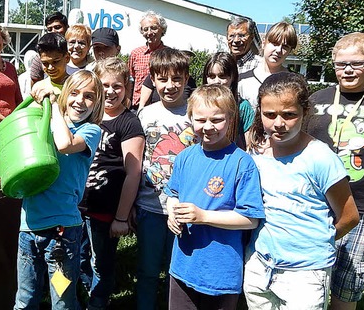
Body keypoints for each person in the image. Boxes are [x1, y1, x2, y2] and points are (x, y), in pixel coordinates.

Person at [0, 70, 104, 310]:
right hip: (28, 228)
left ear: (97, 103)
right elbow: (23, 169)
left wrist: (55, 107)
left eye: (89, 96)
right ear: (66, 94)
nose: (80, 101)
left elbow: (64, 144)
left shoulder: (90, 131)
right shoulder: (43, 123)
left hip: (62, 233)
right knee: (25, 300)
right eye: (75, 93)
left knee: (62, 302)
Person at [243, 72, 359, 310]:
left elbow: (349, 217)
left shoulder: (321, 158)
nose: (278, 123)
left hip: (305, 275)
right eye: (269, 114)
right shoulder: (256, 154)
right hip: (260, 266)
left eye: (289, 115)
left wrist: (317, 240)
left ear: (305, 112)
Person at [166, 84, 265, 310]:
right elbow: (173, 193)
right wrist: (172, 212)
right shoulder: (185, 157)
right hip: (182, 266)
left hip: (220, 273)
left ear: (231, 119)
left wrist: (203, 216)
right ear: (190, 118)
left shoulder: (242, 163)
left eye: (217, 120)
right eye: (200, 120)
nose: (208, 127)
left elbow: (250, 219)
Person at [306, 32, 364, 310]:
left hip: (361, 208)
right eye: (340, 63)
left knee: (348, 281)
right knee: (310, 275)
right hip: (314, 204)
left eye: (356, 63)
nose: (347, 69)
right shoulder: (314, 100)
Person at [133, 47, 195, 310]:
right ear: (153, 79)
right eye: (163, 79)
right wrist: (134, 203)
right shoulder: (146, 114)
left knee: (178, 272)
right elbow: (137, 161)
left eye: (177, 79)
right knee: (147, 270)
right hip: (150, 206)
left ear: (186, 78)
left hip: (185, 210)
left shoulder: (195, 112)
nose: (170, 86)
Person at [81, 57, 145, 309]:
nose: (110, 91)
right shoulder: (88, 116)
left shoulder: (129, 123)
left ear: (126, 87)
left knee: (102, 262)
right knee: (80, 257)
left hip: (106, 210)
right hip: (78, 206)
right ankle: (87, 294)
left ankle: (99, 302)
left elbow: (133, 173)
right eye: (104, 85)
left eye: (117, 86)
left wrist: (121, 216)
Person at [238, 22, 297, 110]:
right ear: (263, 43)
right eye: (275, 44)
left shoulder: (295, 82)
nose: (278, 50)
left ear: (290, 51)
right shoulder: (242, 80)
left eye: (285, 46)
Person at [203, 51, 255, 149]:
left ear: (233, 77)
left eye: (222, 76)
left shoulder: (242, 107)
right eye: (212, 76)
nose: (217, 81)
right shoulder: (198, 105)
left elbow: (249, 145)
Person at [128, 11, 168, 109]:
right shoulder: (135, 54)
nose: (149, 33)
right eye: (145, 29)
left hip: (161, 105)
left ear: (162, 30)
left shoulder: (169, 54)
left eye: (153, 28)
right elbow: (130, 80)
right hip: (137, 107)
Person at [31, 12, 70, 86]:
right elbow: (35, 82)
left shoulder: (77, 52)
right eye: (49, 29)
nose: (53, 31)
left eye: (57, 27)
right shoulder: (40, 56)